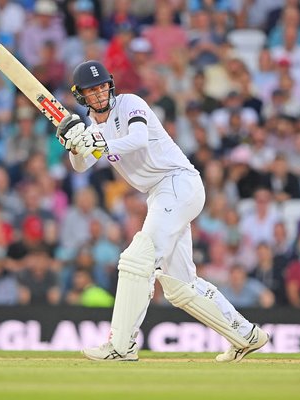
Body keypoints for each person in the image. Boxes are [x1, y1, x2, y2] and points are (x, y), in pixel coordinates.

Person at [54, 60, 269, 362]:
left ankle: (122, 345)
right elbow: (82, 165)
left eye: (102, 86)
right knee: (180, 287)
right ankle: (245, 335)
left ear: (110, 85)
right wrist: (75, 146)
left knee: (137, 259)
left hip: (179, 182)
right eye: (93, 90)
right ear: (82, 96)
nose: (100, 93)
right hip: (161, 194)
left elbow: (138, 139)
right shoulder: (94, 128)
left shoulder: (130, 103)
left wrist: (96, 140)